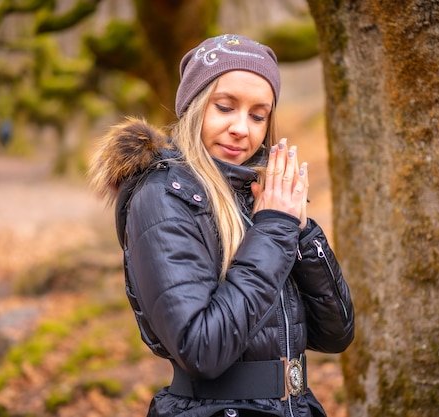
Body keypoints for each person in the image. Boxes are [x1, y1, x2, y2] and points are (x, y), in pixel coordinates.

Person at [88, 34, 354, 417]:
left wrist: (297, 227)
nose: (241, 128)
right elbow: (202, 349)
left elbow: (336, 334)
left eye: (258, 115)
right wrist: (275, 229)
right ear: (195, 107)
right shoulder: (163, 196)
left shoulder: (259, 198)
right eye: (225, 107)